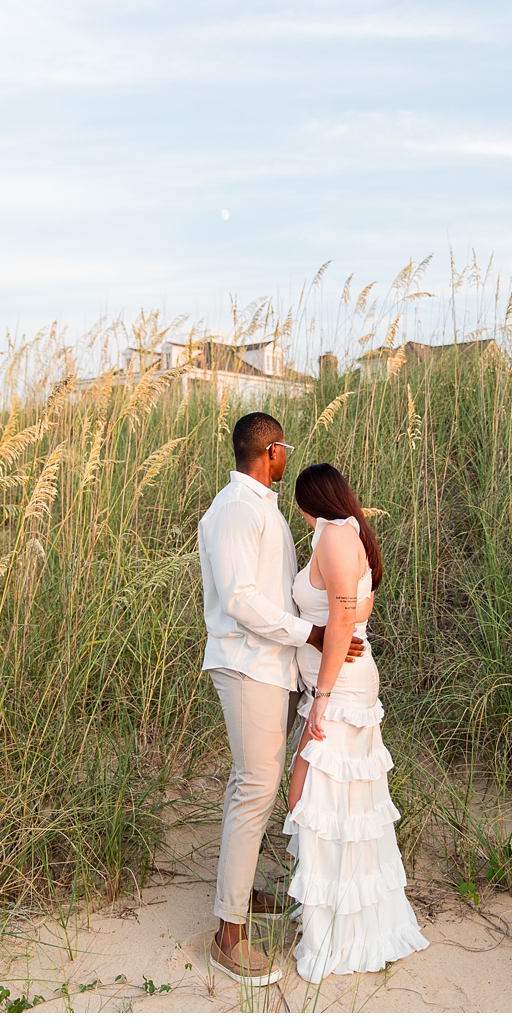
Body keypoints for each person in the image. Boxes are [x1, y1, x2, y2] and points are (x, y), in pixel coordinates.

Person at [196, 411, 362, 986]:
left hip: (271, 667)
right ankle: (228, 934)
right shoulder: (238, 511)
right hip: (248, 668)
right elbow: (242, 601)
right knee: (255, 788)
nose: (288, 455)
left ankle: (237, 897)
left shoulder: (259, 508)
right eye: (284, 447)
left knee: (253, 786)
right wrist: (311, 636)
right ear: (271, 452)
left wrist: (323, 646)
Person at [282, 463, 428, 982]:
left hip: (338, 688)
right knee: (330, 801)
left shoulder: (335, 537)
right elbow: (353, 606)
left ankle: (342, 931)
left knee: (317, 799)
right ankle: (337, 919)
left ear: (309, 502)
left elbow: (344, 615)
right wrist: (340, 628)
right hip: (340, 681)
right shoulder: (346, 534)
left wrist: (320, 696)